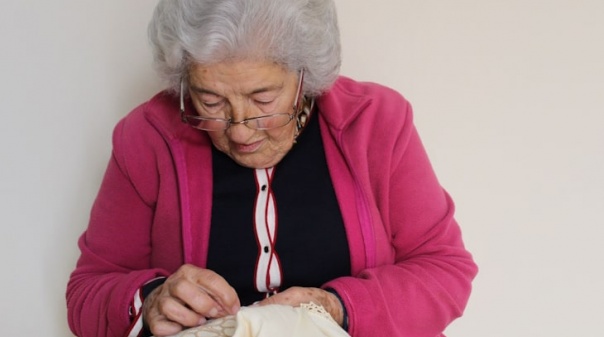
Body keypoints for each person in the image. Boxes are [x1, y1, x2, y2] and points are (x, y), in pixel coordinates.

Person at [66, 0, 478, 336]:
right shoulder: (146, 137)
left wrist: (335, 309)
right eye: (210, 101)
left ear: (305, 77)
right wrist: (152, 297)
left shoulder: (377, 124)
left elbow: (444, 272)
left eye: (263, 98)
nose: (240, 128)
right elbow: (86, 293)